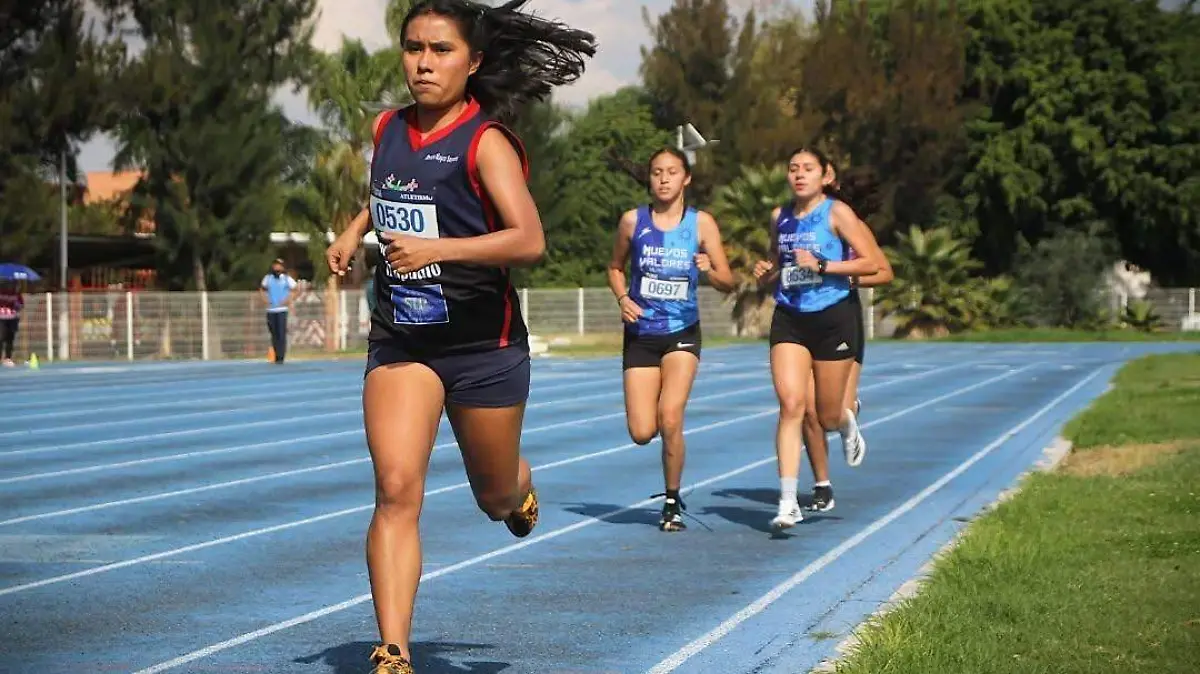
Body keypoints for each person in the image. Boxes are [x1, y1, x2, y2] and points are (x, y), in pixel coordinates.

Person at [323, 2, 595, 673]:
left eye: (440, 50)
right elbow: (389, 189)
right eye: (413, 47)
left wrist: (439, 249)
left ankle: (518, 489)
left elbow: (529, 240)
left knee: (493, 496)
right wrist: (354, 231)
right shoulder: (387, 127)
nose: (423, 63)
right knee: (395, 489)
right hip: (402, 341)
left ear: (473, 62)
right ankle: (393, 652)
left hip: (482, 349)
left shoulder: (486, 142)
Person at [606, 147, 735, 532]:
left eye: (672, 172)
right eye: (657, 172)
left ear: (686, 178)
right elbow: (614, 267)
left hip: (682, 332)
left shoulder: (701, 224)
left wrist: (710, 270)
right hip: (641, 334)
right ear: (649, 178)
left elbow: (729, 282)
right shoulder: (633, 221)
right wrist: (623, 299)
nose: (664, 179)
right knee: (642, 432)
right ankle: (670, 488)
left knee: (670, 415)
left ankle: (672, 501)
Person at [752, 147, 880, 531]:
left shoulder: (837, 213)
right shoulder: (779, 216)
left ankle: (845, 421)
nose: (799, 174)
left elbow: (873, 263)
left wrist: (824, 265)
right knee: (791, 405)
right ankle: (788, 502)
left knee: (825, 415)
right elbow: (779, 264)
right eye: (793, 168)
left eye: (808, 168)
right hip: (790, 318)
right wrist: (766, 271)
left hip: (833, 317)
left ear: (825, 176)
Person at [798, 164, 893, 513]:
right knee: (805, 409)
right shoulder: (796, 224)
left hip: (842, 316)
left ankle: (847, 413)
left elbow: (884, 272)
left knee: (829, 414)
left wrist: (840, 276)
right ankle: (821, 485)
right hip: (800, 316)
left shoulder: (851, 225)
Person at [259, 258, 297, 364]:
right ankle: (276, 354)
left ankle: (281, 356)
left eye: (279, 265)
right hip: (271, 310)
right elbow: (262, 289)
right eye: (275, 265)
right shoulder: (268, 278)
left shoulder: (286, 279)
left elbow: (295, 289)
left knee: (281, 333)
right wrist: (265, 299)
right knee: (273, 333)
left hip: (282, 310)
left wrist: (288, 300)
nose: (277, 267)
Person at [0, 281, 23, 367]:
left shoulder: (16, 293)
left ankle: (8, 358)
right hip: (1, 318)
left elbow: (21, 304)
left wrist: (17, 305)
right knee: (1, 337)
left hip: (13, 318)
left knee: (10, 338)